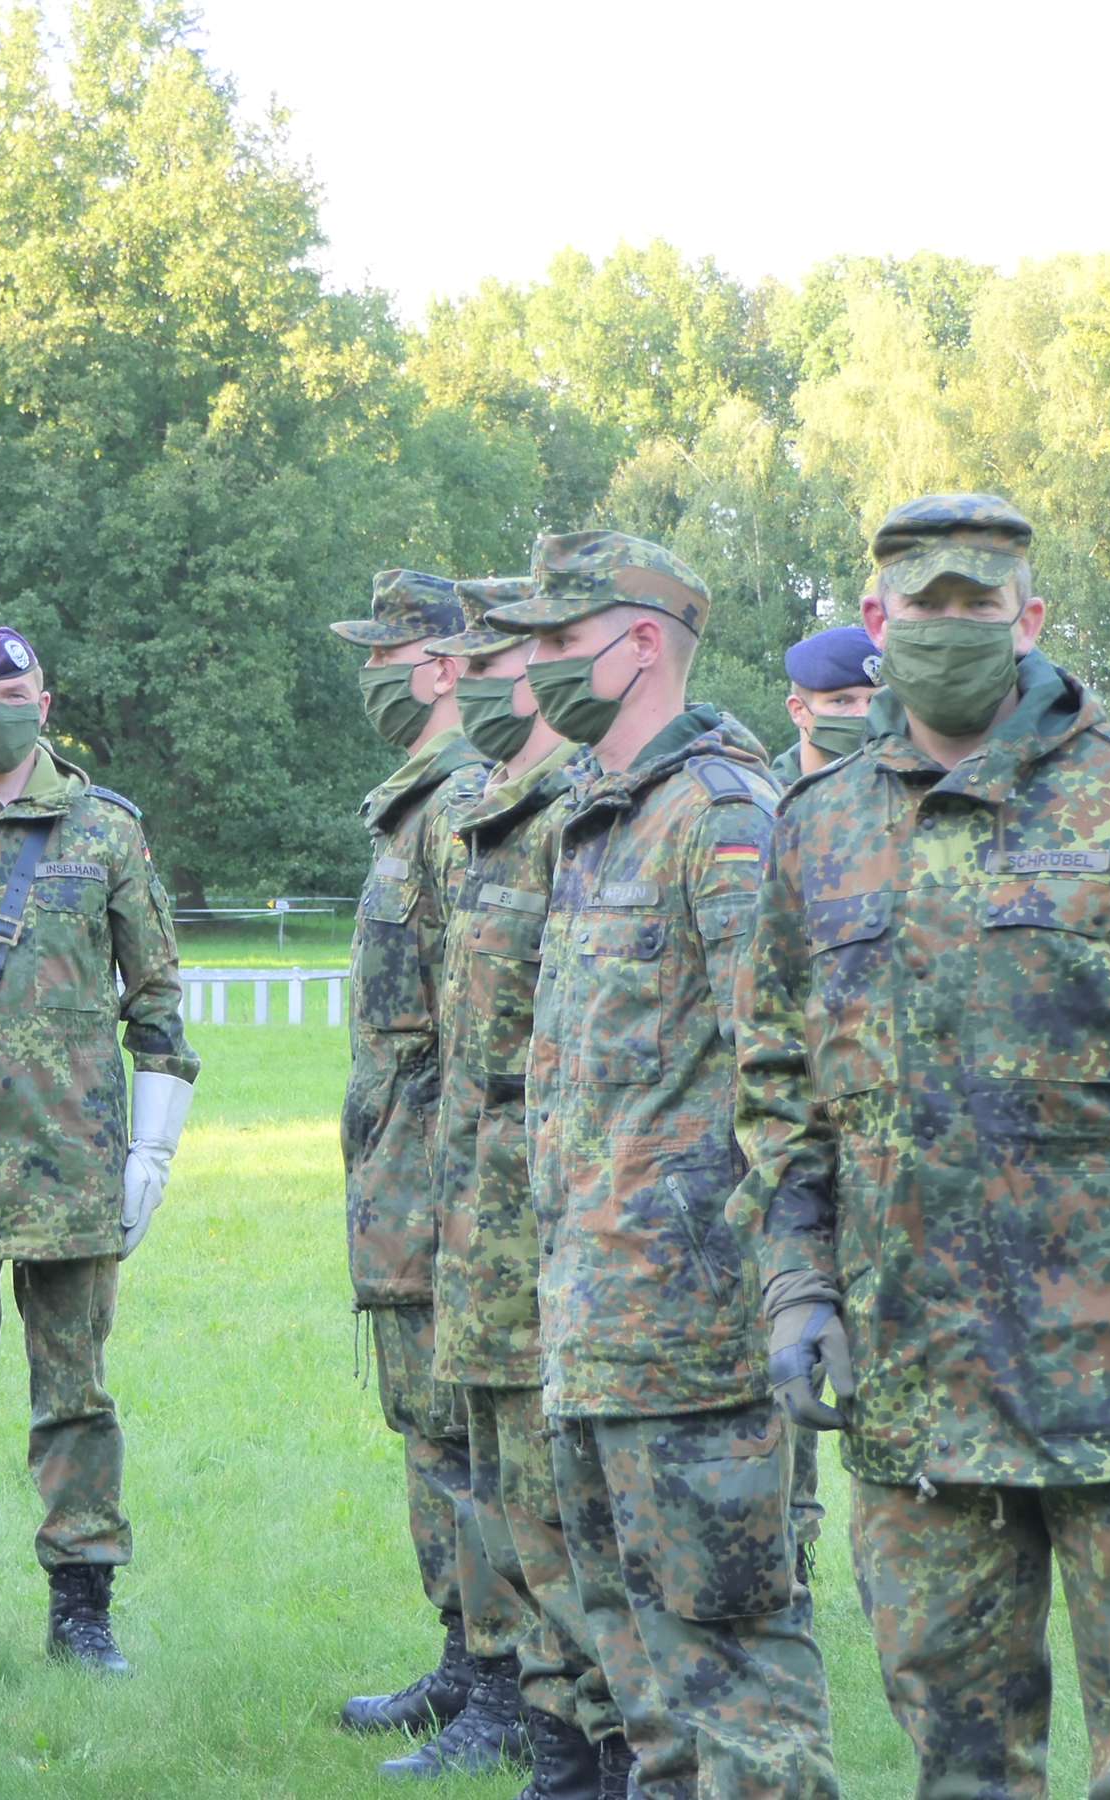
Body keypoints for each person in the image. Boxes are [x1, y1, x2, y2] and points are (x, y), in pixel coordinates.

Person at [745, 493, 1110, 1799]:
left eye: (978, 605)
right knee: (961, 1764)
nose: (950, 628)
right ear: (874, 621)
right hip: (914, 1396)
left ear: (1029, 617)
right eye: (924, 606)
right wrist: (795, 1281)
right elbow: (781, 1091)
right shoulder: (819, 832)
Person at [498, 532, 837, 1800]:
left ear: (639, 641)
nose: (528, 667)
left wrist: (789, 1288)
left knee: (735, 1679)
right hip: (591, 1321)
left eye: (549, 638)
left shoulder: (723, 817)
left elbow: (789, 1078)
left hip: (695, 1337)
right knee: (641, 1685)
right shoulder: (599, 816)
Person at [0, 625, 199, 1692]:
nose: (2, 709)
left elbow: (154, 997)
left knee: (76, 1398)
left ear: (46, 704)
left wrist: (150, 1149)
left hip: (70, 1164)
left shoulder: (105, 831)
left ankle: (82, 1613)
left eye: (19, 690)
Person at [380, 574, 623, 1786]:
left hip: (555, 1220)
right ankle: (521, 1704)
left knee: (546, 1491)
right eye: (462, 662)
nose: (468, 680)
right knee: (486, 1474)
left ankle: (572, 1731)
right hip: (464, 1202)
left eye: (493, 660)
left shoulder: (582, 814)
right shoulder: (480, 811)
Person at [325, 570, 496, 1736]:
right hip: (399, 1185)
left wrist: (455, 1201)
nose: (370, 674)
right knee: (427, 1437)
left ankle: (501, 1687)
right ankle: (460, 1655)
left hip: (446, 1193)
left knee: (473, 1445)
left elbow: (476, 1029)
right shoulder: (412, 803)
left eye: (386, 654)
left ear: (442, 665)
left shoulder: (463, 802)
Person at [771, 624, 883, 787]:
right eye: (841, 701)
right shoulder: (767, 804)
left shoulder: (913, 788)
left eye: (874, 700)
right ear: (798, 710)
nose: (864, 714)